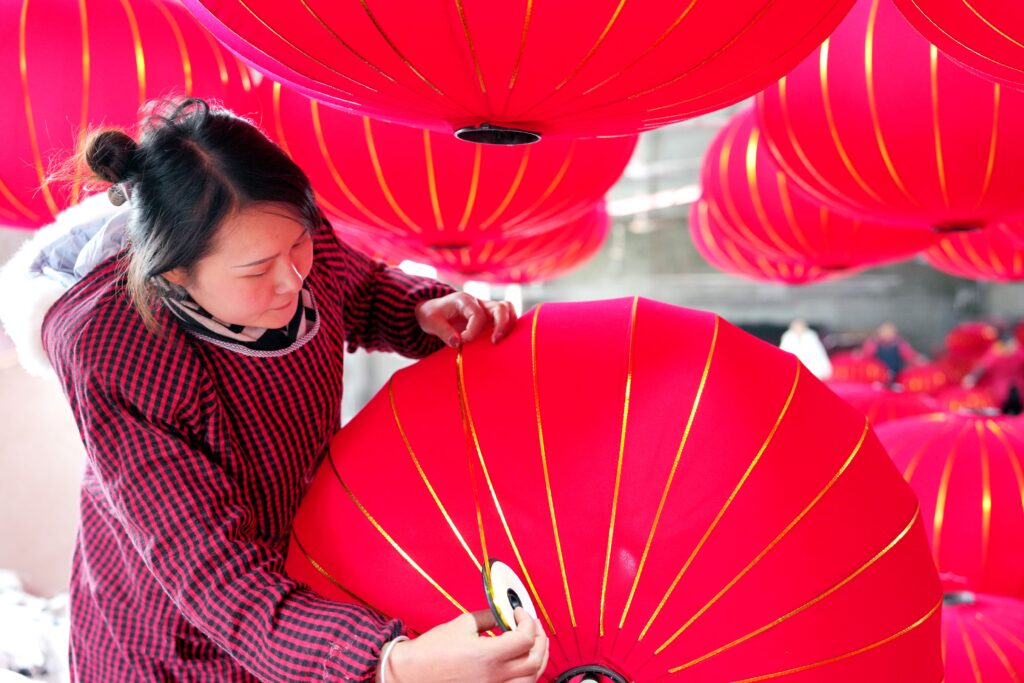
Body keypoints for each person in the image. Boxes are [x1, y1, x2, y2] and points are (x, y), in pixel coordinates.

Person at [0, 99, 548, 682]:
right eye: (257, 271)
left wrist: (421, 310)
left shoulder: (284, 235)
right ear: (174, 272)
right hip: (172, 627)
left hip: (304, 549)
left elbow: (356, 289)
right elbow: (209, 568)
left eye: (299, 246)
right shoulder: (114, 346)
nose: (294, 278)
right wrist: (392, 665)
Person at [860, 321, 925, 384]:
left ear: (894, 333)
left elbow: (910, 355)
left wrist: (918, 359)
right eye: (885, 332)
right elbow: (865, 356)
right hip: (878, 375)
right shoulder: (873, 343)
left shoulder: (900, 343)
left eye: (889, 332)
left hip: (897, 374)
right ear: (879, 333)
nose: (887, 334)